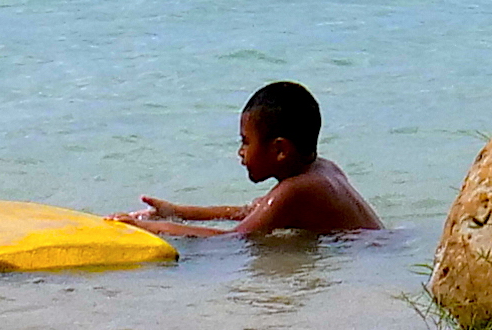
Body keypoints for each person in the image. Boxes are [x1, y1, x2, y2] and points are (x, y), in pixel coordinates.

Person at [120, 82, 379, 240]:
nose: (240, 152)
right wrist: (178, 212)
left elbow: (235, 239)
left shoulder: (298, 189)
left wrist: (154, 228)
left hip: (372, 258)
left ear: (280, 150)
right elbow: (249, 211)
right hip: (383, 249)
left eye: (245, 141)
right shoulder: (322, 169)